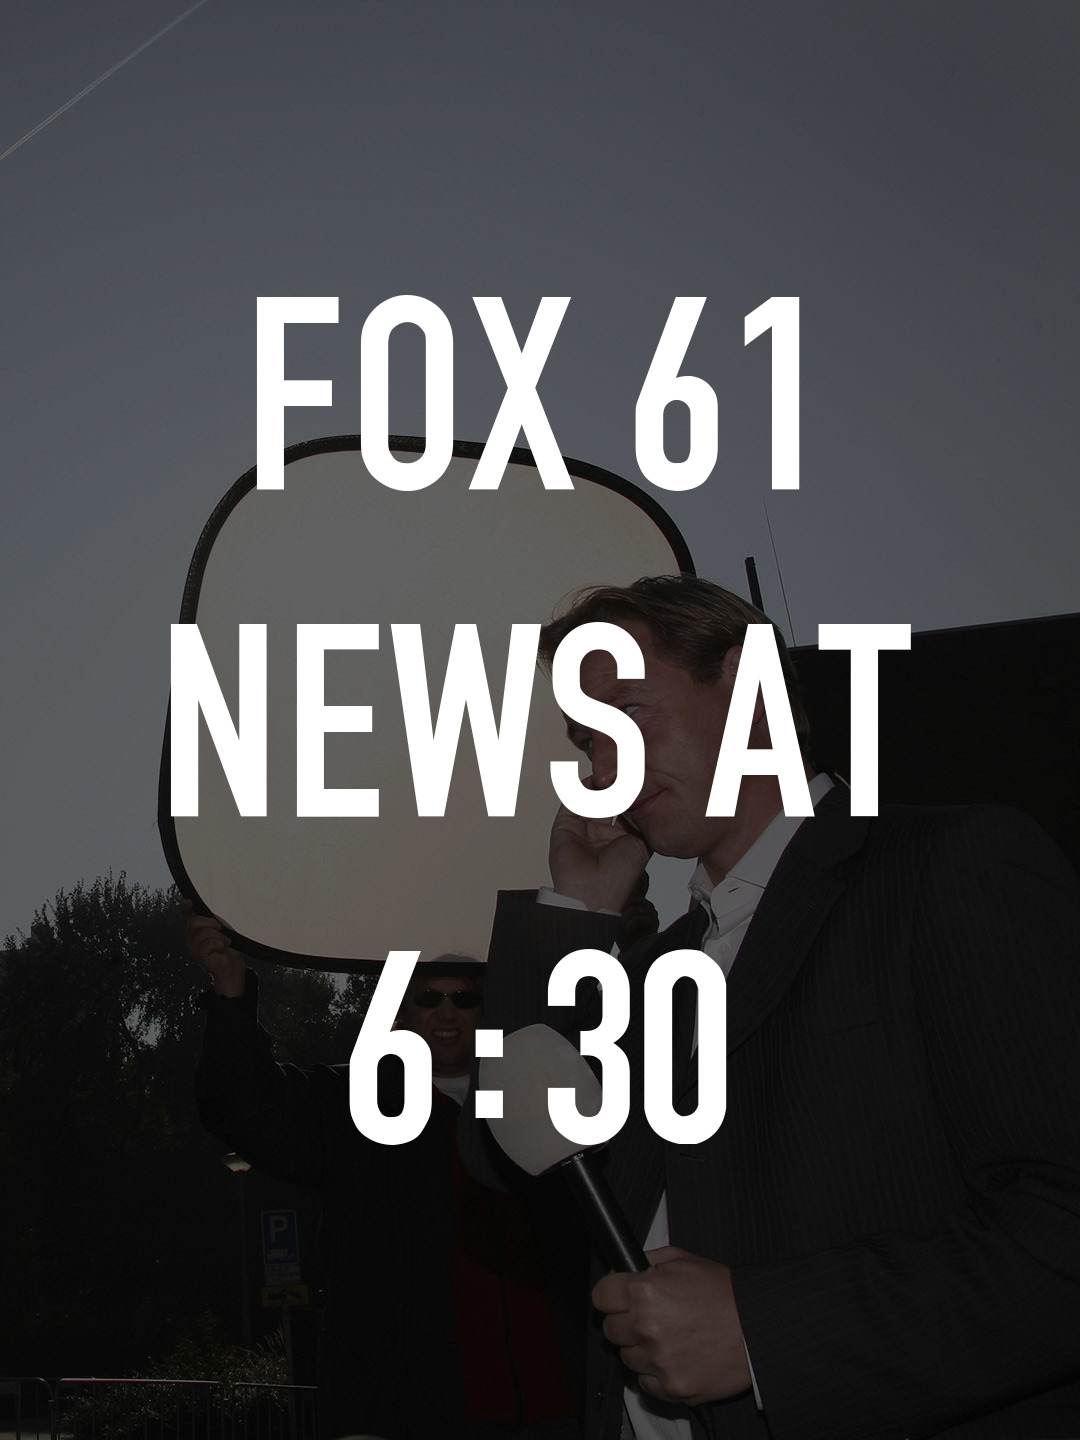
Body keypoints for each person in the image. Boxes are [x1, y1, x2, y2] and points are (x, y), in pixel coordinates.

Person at [478, 574, 1080, 1440]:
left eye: (627, 714)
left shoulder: (947, 866)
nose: (601, 770)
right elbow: (503, 1159)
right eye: (585, 742)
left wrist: (765, 1332)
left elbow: (1061, 1223)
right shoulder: (647, 972)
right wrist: (576, 917)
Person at [189, 907, 587, 1440]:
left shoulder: (544, 1101)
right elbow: (244, 1108)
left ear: (487, 1010)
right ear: (402, 1012)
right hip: (410, 1413)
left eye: (464, 998)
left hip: (559, 1407)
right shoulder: (356, 1106)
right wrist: (231, 990)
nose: (447, 1012)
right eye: (429, 998)